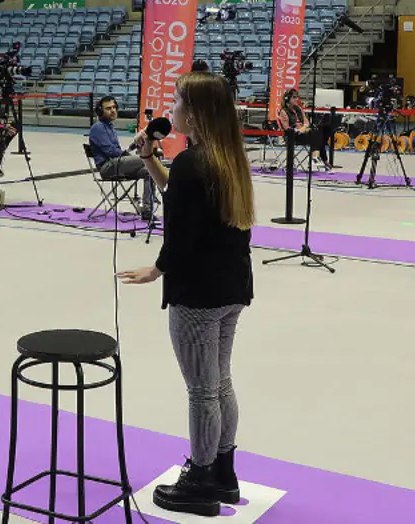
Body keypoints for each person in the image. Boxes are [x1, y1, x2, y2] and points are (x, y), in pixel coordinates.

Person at [116, 72, 254, 517]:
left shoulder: (195, 162)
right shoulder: (225, 155)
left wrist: (157, 269)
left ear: (192, 114)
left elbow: (182, 233)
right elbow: (181, 198)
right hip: (231, 286)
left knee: (201, 391)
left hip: (198, 292)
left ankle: (199, 478)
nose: (169, 107)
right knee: (220, 381)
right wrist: (152, 158)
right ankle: (223, 473)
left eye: (176, 100)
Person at [88, 95, 155, 218]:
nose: (113, 110)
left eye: (114, 107)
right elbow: (111, 151)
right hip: (107, 167)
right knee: (148, 159)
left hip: (117, 164)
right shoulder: (97, 128)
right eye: (108, 108)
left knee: (150, 172)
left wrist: (128, 154)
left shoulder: (110, 127)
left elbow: (117, 152)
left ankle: (147, 211)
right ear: (100, 111)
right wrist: (128, 155)